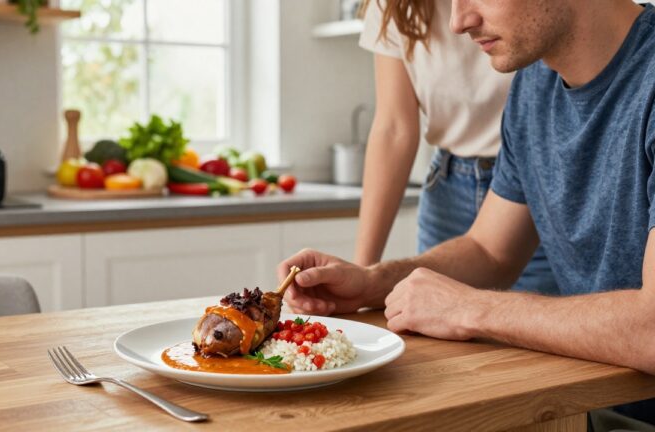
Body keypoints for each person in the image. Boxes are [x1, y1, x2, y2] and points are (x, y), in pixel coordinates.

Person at [280, 0, 655, 426]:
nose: (459, 21)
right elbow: (490, 250)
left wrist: (470, 309)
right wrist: (371, 282)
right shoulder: (534, 86)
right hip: (596, 410)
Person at [354, 0, 558, 294]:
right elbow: (394, 128)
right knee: (431, 331)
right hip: (450, 187)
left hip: (536, 184)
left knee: (541, 329)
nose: (459, 23)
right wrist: (362, 274)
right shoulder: (394, 6)